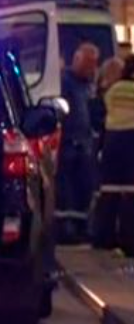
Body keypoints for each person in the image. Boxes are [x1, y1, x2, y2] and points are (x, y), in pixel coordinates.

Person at [56, 43, 101, 243]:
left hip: (83, 143)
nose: (92, 68)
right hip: (68, 143)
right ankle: (67, 230)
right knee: (67, 189)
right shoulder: (64, 82)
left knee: (84, 188)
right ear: (77, 61)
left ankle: (80, 227)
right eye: (89, 64)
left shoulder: (87, 85)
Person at [92, 56, 134, 251]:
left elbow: (104, 109)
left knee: (109, 191)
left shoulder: (114, 91)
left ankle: (102, 238)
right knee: (130, 194)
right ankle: (129, 241)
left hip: (112, 141)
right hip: (131, 140)